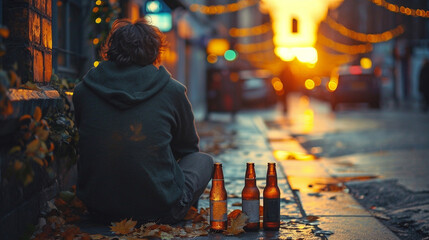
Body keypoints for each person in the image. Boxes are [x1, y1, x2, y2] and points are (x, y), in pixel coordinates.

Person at [72, 18, 213, 223]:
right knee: (203, 160)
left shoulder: (83, 91)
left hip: (99, 209)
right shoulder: (172, 90)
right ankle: (180, 210)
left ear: (110, 49)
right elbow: (187, 148)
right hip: (160, 211)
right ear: (155, 51)